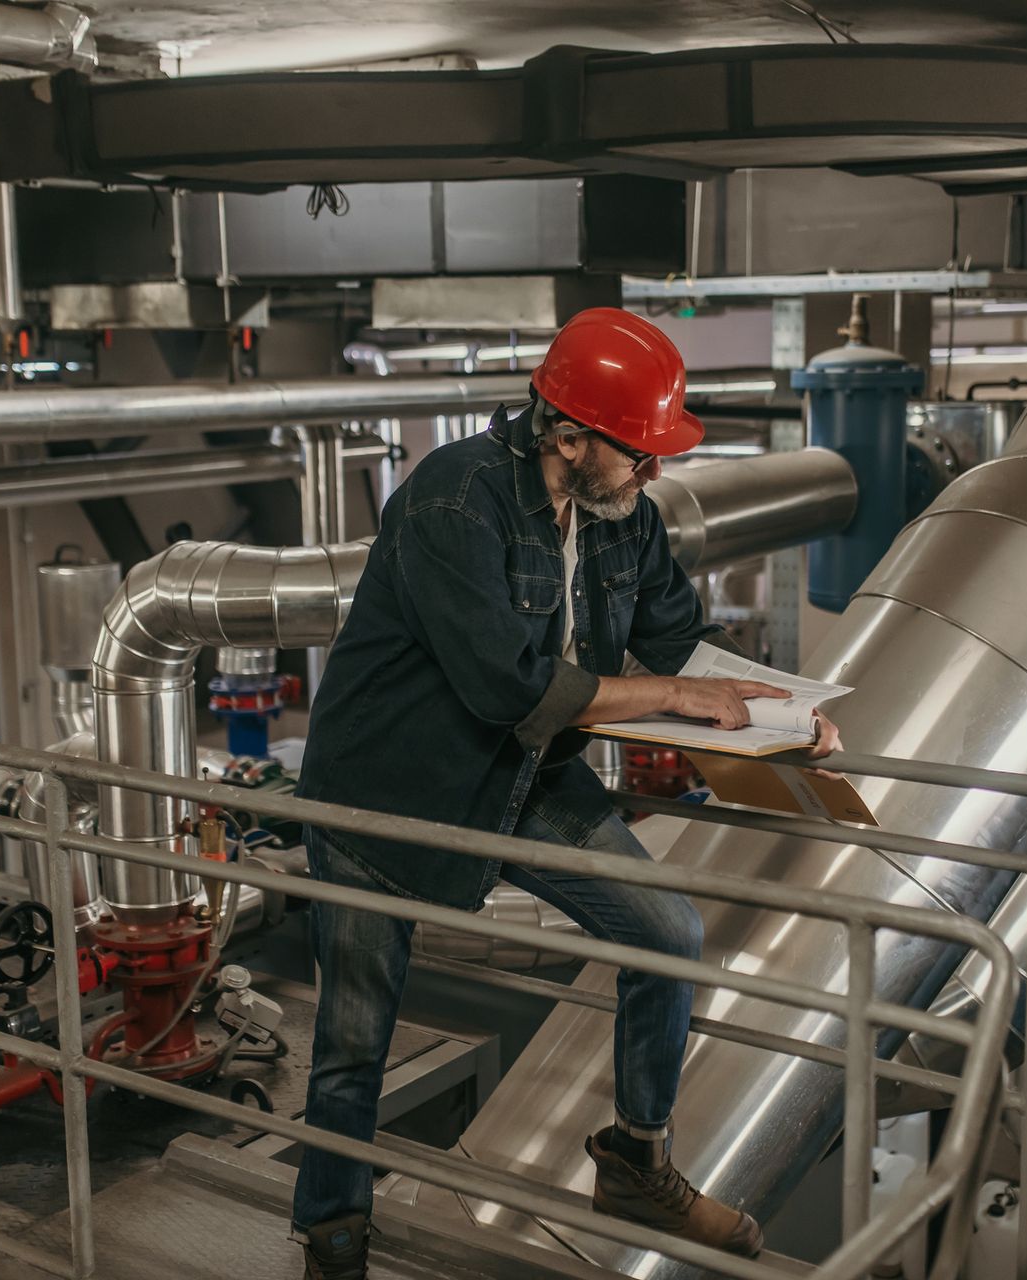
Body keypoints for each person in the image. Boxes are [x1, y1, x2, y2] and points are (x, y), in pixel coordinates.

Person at [290, 307, 840, 1278]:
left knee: (667, 930)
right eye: (640, 452)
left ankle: (635, 1161)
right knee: (353, 1041)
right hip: (388, 793)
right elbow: (513, 686)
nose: (655, 472)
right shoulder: (455, 502)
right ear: (570, 436)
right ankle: (334, 1238)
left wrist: (784, 718)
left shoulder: (627, 515)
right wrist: (675, 693)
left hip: (516, 777)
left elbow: (673, 638)